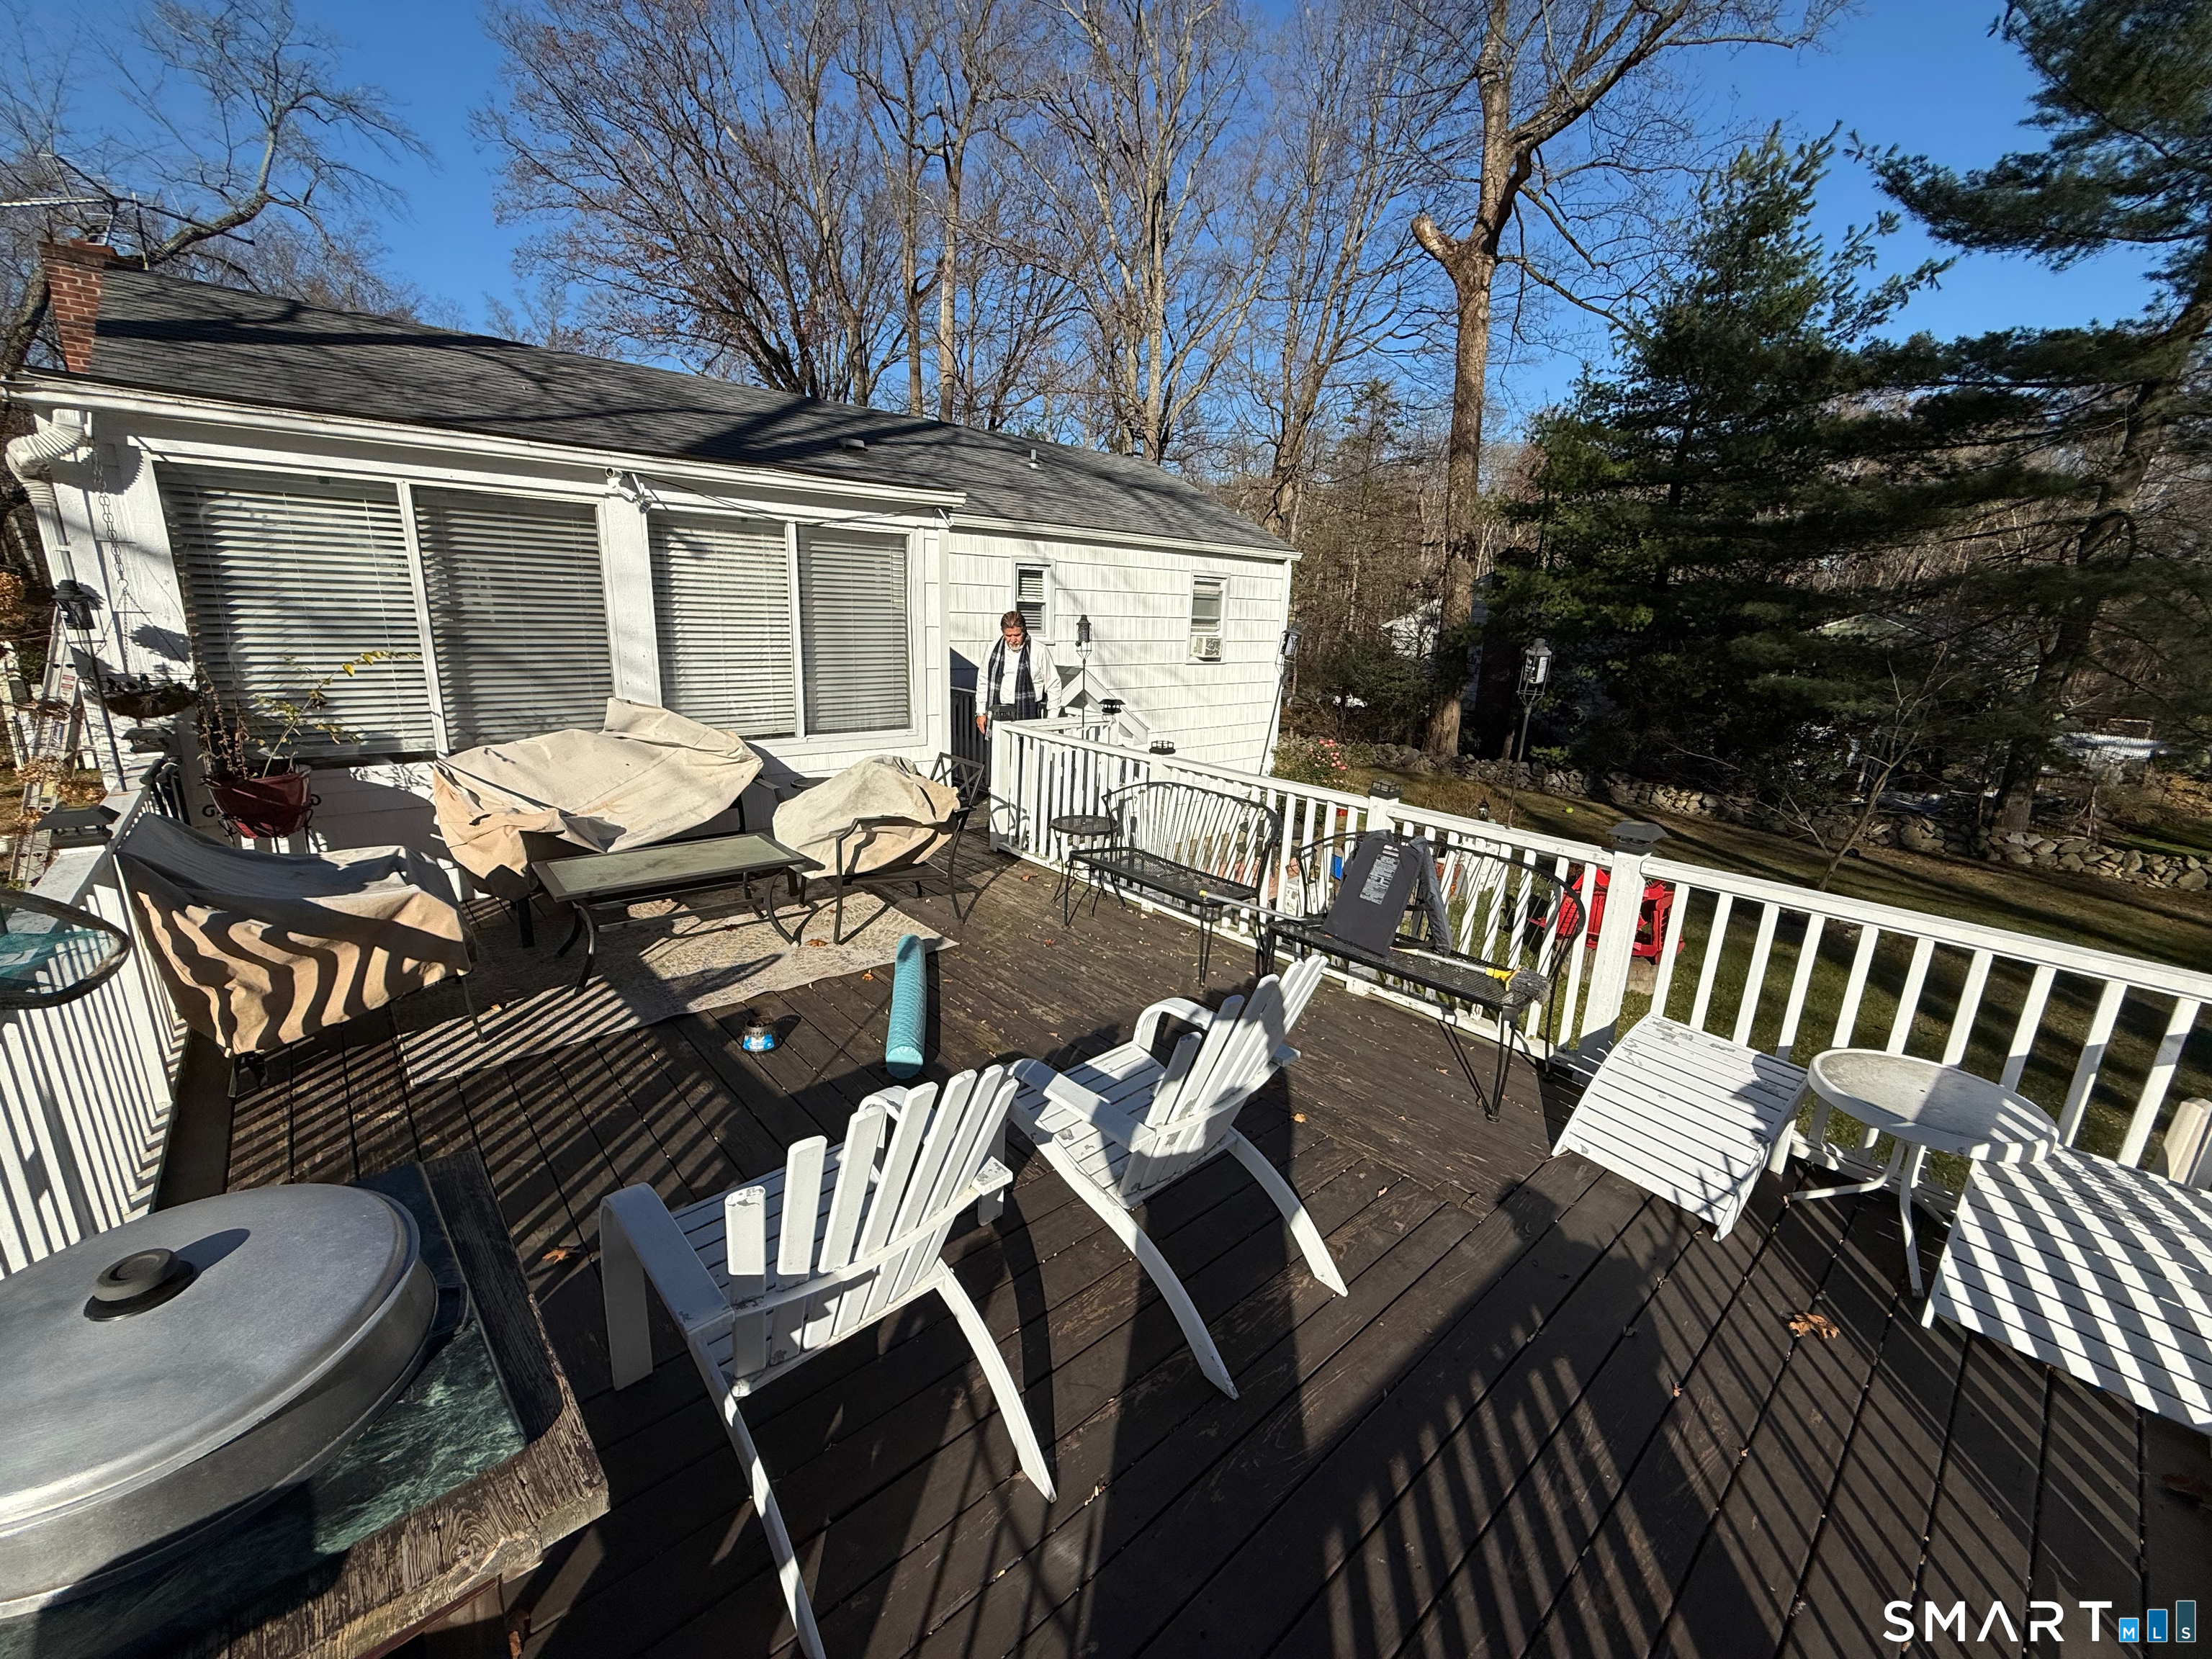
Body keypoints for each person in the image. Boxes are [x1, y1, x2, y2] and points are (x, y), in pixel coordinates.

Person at [978, 609, 1060, 734]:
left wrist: (1052, 718)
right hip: (999, 711)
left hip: (1029, 711)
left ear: (1024, 630)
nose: (1013, 640)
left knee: (1027, 751)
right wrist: (980, 712)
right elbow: (983, 680)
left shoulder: (1039, 650)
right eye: (1008, 635)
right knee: (1000, 751)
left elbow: (1053, 684)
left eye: (1017, 635)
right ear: (1003, 632)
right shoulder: (992, 649)